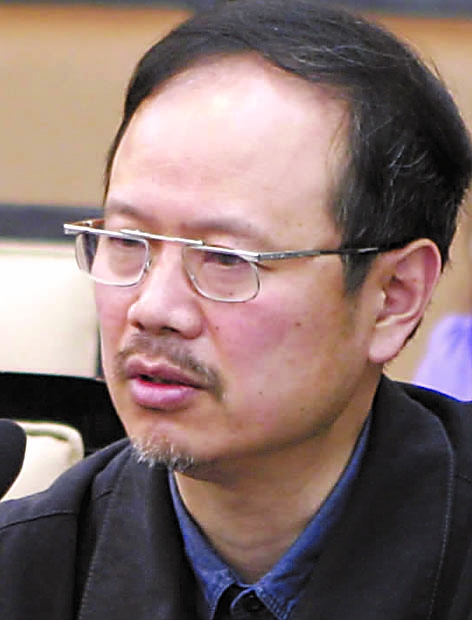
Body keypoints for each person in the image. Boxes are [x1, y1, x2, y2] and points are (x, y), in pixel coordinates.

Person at [1, 1, 472, 618]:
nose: (153, 308)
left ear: (393, 297)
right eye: (127, 241)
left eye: (226, 258)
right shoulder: (25, 570)